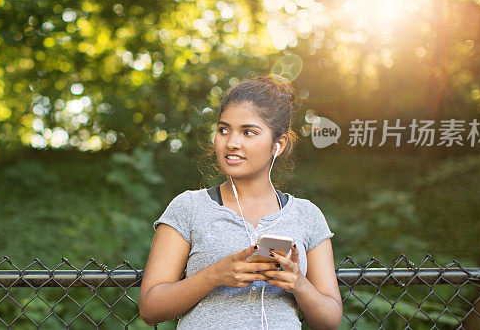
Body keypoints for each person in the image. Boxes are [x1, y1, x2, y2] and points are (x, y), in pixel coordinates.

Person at [138, 75, 342, 329]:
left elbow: (331, 320)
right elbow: (149, 307)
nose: (232, 143)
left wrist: (298, 283)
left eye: (248, 132)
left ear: (278, 145)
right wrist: (215, 275)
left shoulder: (306, 215)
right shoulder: (188, 207)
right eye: (224, 130)